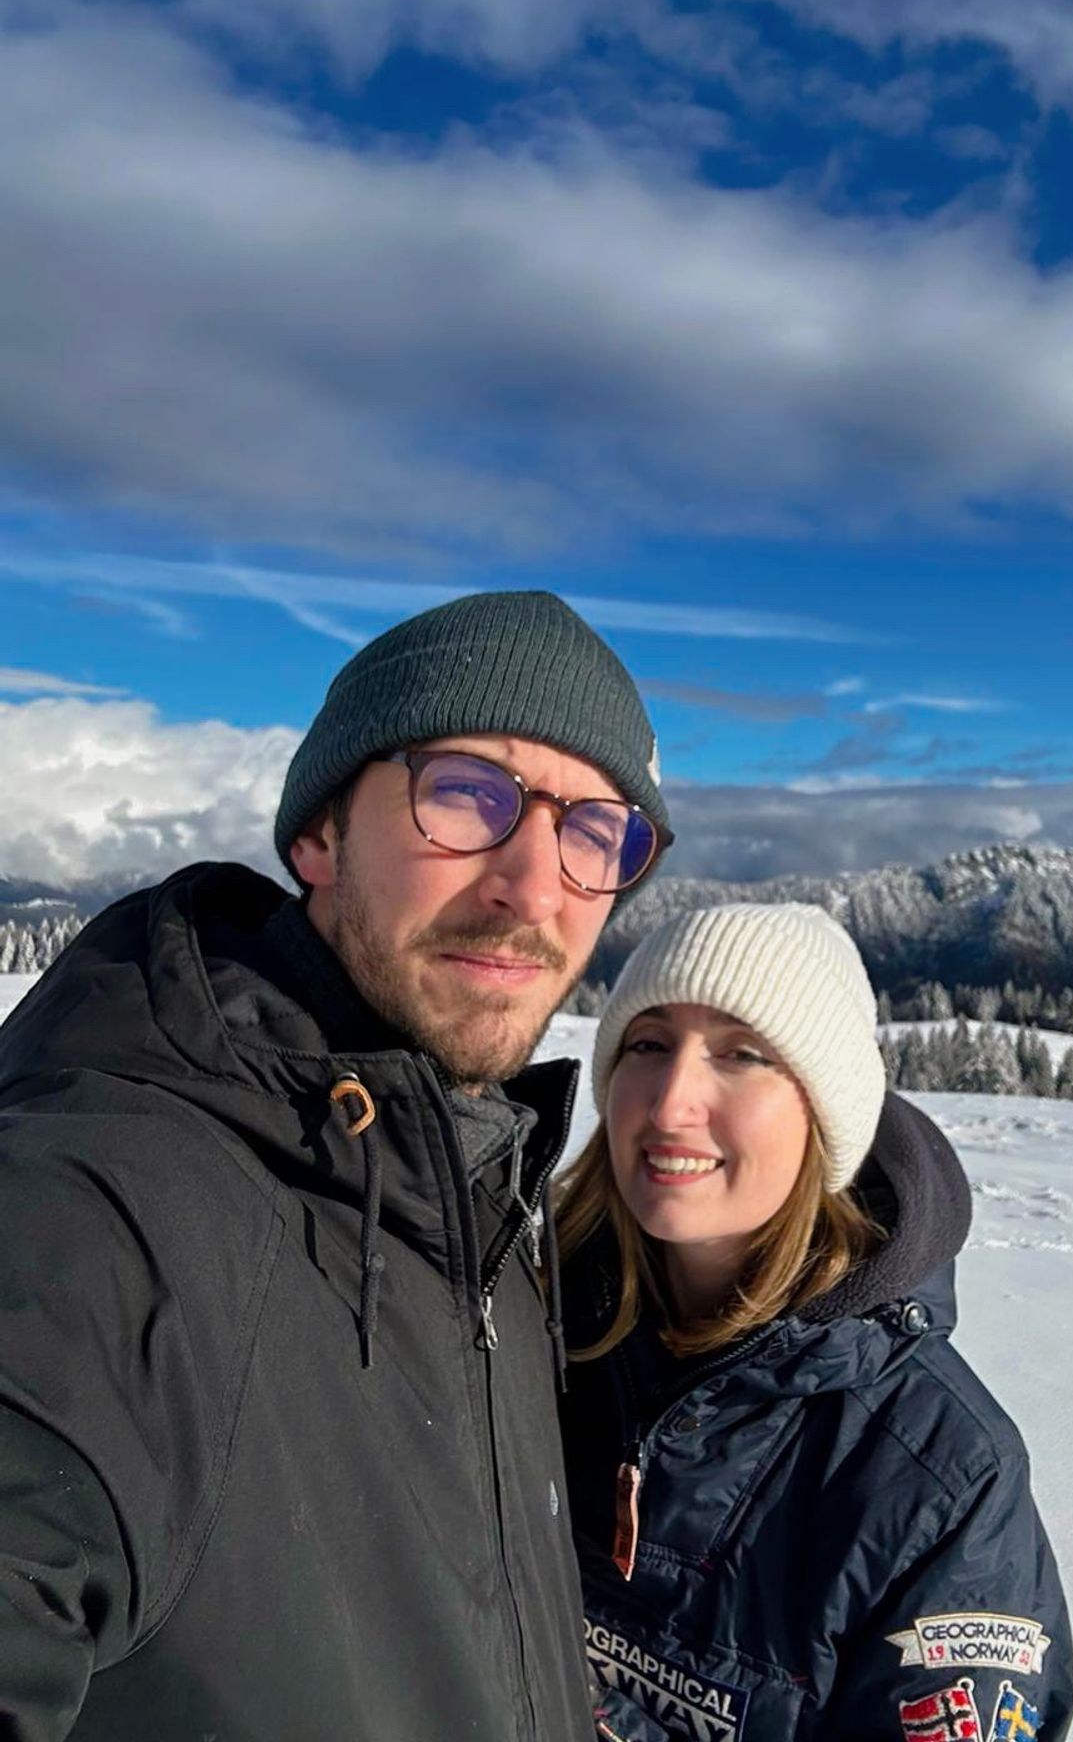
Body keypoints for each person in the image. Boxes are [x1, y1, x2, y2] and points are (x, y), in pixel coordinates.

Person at [0, 590, 671, 1742]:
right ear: (318, 833)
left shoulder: (482, 1206)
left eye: (594, 830)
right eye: (467, 791)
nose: (534, 883)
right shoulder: (100, 1208)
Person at [556, 902, 1073, 1742]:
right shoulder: (524, 1332)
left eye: (744, 1055)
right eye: (648, 1045)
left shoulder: (937, 1479)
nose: (672, 1101)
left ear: (824, 1118)